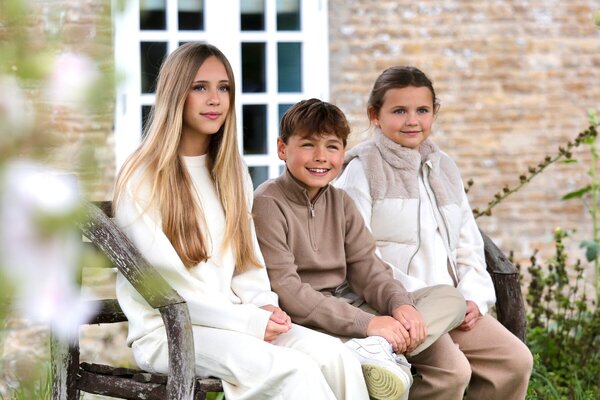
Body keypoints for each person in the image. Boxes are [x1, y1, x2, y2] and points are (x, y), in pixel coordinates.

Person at [112, 43, 371, 400]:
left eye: (224, 88)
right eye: (200, 87)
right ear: (175, 95)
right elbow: (167, 289)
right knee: (296, 371)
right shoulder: (144, 178)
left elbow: (247, 263)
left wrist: (264, 305)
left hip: (235, 324)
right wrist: (248, 321)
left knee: (336, 357)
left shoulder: (230, 173)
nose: (215, 99)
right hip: (169, 332)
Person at [335, 66, 534, 400]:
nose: (412, 121)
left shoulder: (445, 169)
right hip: (394, 307)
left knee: (514, 361)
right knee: (451, 373)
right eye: (399, 111)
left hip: (453, 306)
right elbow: (359, 256)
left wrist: (473, 298)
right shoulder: (361, 170)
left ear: (434, 113)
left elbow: (468, 246)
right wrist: (412, 299)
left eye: (422, 110)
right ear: (374, 115)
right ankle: (381, 349)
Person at [252, 98, 467, 400]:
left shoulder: (341, 202)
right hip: (310, 321)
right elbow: (288, 291)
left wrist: (400, 306)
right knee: (422, 370)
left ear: (342, 151)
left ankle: (380, 348)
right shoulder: (267, 202)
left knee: (450, 301)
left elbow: (369, 269)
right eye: (308, 145)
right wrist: (368, 324)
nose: (320, 157)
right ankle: (377, 350)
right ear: (282, 148)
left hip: (354, 307)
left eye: (332, 147)